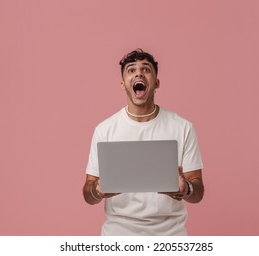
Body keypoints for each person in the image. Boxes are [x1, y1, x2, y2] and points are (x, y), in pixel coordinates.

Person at [83, 49, 204, 235]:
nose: (138, 73)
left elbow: (198, 191)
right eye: (131, 70)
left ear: (156, 83)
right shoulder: (104, 130)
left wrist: (186, 188)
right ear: (123, 84)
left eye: (146, 69)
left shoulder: (182, 127)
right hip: (118, 237)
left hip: (171, 238)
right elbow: (88, 193)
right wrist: (97, 191)